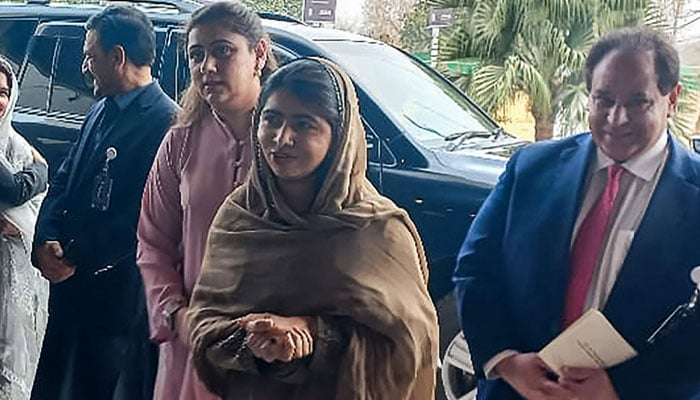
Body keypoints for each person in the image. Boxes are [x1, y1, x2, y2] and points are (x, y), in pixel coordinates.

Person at [454, 27, 700, 400]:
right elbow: (475, 269)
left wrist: (622, 388)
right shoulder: (532, 168)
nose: (617, 119)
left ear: (672, 99)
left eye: (638, 102)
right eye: (603, 100)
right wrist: (505, 361)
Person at [187, 58, 439, 399]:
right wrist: (254, 342)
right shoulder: (239, 217)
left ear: (339, 137)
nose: (281, 138)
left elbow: (412, 344)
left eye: (304, 124)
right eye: (271, 119)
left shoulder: (377, 231)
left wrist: (315, 335)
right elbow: (204, 324)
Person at [30, 6, 178, 400]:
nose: (84, 66)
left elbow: (144, 217)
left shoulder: (167, 126)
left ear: (118, 57)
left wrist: (75, 254)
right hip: (70, 291)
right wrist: (44, 239)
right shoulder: (99, 110)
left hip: (116, 303)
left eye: (90, 55)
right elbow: (64, 179)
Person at [136, 2, 276, 399]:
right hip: (193, 341)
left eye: (222, 50)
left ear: (259, 54)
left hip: (268, 345)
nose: (207, 66)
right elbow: (152, 241)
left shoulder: (287, 143)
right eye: (197, 54)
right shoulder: (180, 142)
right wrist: (175, 313)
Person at [0, 56, 49, 400]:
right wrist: (42, 171)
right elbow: (13, 190)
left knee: (11, 343)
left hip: (13, 266)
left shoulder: (15, 144)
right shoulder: (27, 152)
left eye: (3, 92)